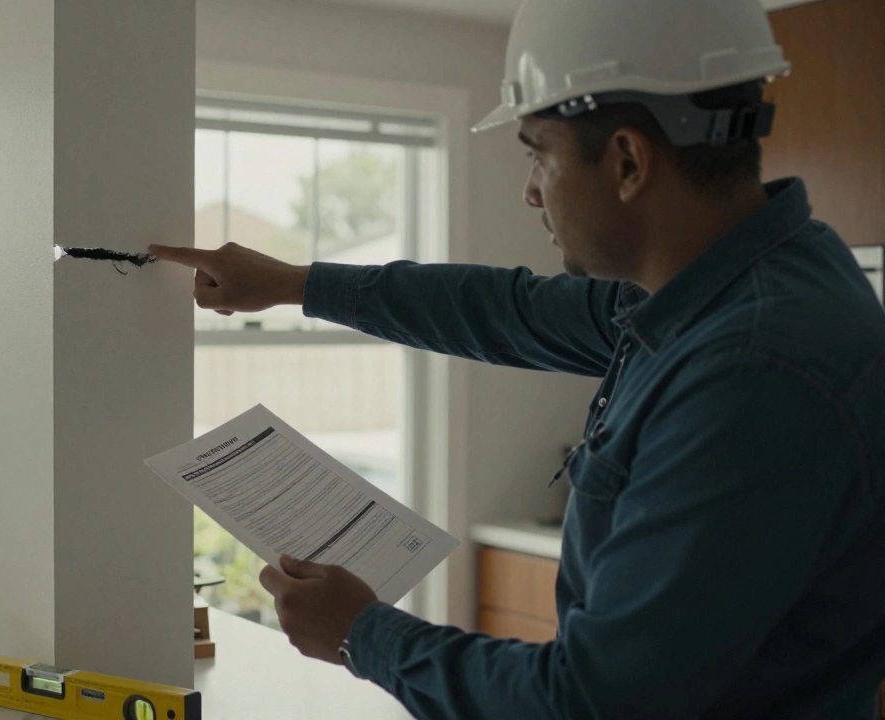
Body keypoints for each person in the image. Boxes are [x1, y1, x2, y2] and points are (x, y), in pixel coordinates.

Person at [150, 0, 885, 717]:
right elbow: (507, 309)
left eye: (538, 153)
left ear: (627, 160)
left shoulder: (752, 367)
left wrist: (361, 633)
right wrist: (293, 283)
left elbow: (593, 701)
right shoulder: (726, 291)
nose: (531, 191)